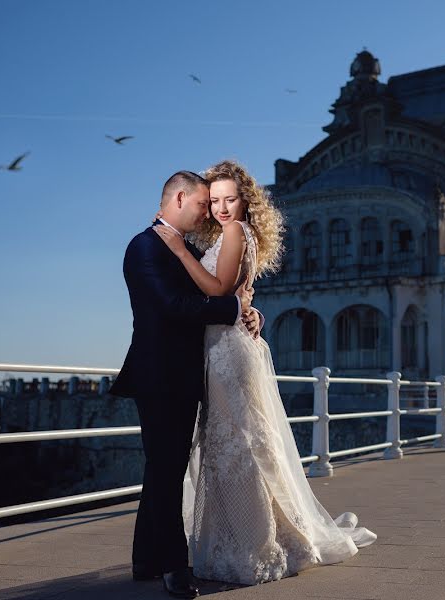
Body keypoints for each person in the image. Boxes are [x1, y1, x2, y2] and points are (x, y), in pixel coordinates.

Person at [154, 160, 375, 587]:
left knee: (238, 445)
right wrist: (247, 307)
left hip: (227, 351)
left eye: (229, 199)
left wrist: (179, 251)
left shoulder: (236, 232)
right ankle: (242, 538)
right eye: (214, 200)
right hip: (224, 345)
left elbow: (218, 291)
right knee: (235, 443)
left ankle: (253, 543)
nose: (220, 208)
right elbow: (231, 293)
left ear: (245, 200)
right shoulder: (233, 234)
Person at [110, 171, 260, 599]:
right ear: (179, 197)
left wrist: (246, 311)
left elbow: (210, 291)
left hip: (185, 373)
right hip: (158, 374)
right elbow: (173, 306)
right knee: (167, 469)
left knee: (162, 467)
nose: (207, 212)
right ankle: (174, 568)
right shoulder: (144, 246)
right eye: (201, 204)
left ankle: (145, 559)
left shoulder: (186, 246)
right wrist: (233, 307)